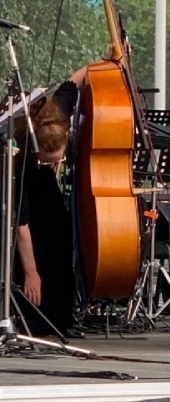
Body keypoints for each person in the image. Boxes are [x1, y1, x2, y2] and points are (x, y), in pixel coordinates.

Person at [12, 81, 81, 337]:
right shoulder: (21, 162)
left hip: (46, 197)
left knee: (58, 238)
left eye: (59, 159)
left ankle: (60, 316)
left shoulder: (57, 115)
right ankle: (35, 319)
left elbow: (72, 84)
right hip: (29, 201)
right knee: (39, 248)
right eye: (46, 161)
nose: (54, 163)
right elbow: (21, 225)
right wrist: (31, 273)